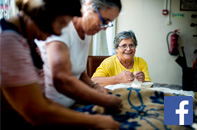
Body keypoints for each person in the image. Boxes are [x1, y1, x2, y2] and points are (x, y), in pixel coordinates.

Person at [0, 0, 121, 130]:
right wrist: (96, 121)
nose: (58, 34)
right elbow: (36, 111)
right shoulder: (8, 41)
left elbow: (41, 100)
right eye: (61, 23)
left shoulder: (24, 39)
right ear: (43, 12)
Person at [35, 0, 122, 110]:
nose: (104, 28)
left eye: (108, 23)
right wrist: (102, 100)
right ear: (89, 6)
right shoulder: (62, 27)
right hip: (48, 107)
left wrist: (95, 86)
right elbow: (62, 80)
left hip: (71, 104)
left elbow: (78, 71)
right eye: (103, 21)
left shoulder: (88, 32)